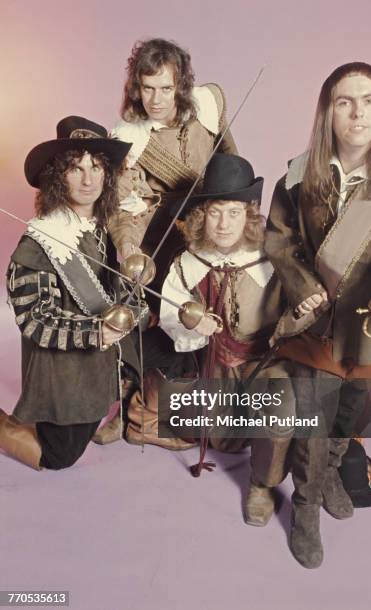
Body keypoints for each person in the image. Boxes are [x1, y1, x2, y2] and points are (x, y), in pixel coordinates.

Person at [265, 62, 371, 568]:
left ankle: (328, 480)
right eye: (344, 101)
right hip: (319, 328)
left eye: (368, 100)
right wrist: (303, 288)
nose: (357, 113)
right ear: (328, 110)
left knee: (348, 419)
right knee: (314, 426)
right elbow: (279, 240)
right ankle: (305, 510)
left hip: (368, 334)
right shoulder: (299, 171)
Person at [95, 37, 238, 445]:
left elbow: (233, 166)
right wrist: (130, 250)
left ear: (181, 86)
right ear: (135, 87)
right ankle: (129, 411)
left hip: (209, 226)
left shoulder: (209, 107)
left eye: (165, 88)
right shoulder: (127, 136)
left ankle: (162, 413)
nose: (155, 99)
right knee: (146, 321)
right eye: (147, 87)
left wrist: (237, 216)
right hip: (157, 233)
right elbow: (124, 207)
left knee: (210, 322)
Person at [160, 153, 295, 519]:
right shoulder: (188, 262)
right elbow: (169, 314)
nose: (223, 223)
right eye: (216, 211)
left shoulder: (272, 258)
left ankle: (262, 486)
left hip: (263, 363)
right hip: (212, 363)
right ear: (203, 215)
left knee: (280, 407)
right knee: (171, 409)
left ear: (249, 215)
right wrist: (192, 325)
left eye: (234, 212)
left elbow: (296, 315)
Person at [0, 116, 139, 470]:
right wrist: (98, 331)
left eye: (96, 167)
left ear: (107, 175)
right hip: (60, 368)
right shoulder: (39, 241)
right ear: (58, 177)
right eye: (76, 169)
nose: (88, 179)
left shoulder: (98, 229)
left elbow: (111, 290)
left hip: (96, 362)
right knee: (59, 457)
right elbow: (35, 319)